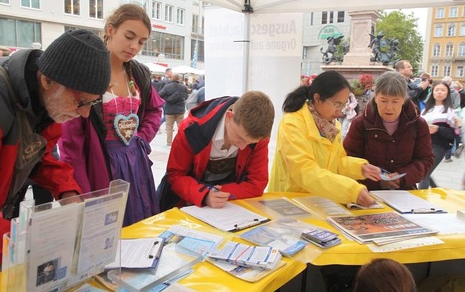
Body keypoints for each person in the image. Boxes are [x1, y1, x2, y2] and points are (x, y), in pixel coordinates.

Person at [0, 29, 110, 282]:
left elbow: (39, 158)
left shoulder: (47, 102)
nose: (85, 114)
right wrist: (43, 246)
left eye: (93, 103)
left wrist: (68, 191)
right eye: (81, 102)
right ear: (47, 80)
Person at [59, 4, 163, 227]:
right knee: (104, 230)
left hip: (136, 165)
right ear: (110, 30)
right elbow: (71, 146)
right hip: (99, 165)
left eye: (141, 42)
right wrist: (81, 193)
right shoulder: (86, 72)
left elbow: (155, 110)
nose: (134, 46)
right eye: (129, 36)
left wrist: (142, 137)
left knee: (138, 228)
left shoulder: (138, 73)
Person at [268, 71, 380, 207]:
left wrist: (360, 168)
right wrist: (351, 191)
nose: (340, 112)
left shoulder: (333, 126)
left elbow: (336, 162)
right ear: (317, 98)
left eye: (344, 105)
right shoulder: (292, 123)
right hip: (290, 202)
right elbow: (304, 171)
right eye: (336, 104)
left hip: (319, 202)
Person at [157, 91, 275, 211]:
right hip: (185, 202)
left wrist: (220, 193)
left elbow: (256, 184)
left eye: (250, 143)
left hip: (227, 208)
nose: (243, 147)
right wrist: (204, 194)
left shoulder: (258, 138)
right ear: (229, 117)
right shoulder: (191, 129)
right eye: (240, 138)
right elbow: (175, 175)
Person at [344, 71, 434, 190]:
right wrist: (374, 179)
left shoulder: (418, 124)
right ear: (375, 98)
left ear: (404, 100)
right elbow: (348, 158)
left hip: (405, 193)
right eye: (384, 100)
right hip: (367, 193)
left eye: (395, 101)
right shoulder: (361, 124)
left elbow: (425, 159)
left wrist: (403, 177)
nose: (389, 107)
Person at [419, 81, 461, 189]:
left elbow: (454, 134)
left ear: (447, 93)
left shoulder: (450, 111)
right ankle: (437, 190)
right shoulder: (426, 110)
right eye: (436, 90)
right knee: (425, 171)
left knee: (425, 173)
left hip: (439, 146)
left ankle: (420, 201)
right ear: (432, 92)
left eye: (443, 90)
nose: (439, 92)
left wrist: (438, 129)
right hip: (423, 145)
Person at [158, 73, 188, 147]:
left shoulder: (167, 87)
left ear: (172, 78)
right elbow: (186, 96)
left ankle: (169, 143)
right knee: (181, 127)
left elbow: (159, 95)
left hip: (169, 110)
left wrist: (167, 99)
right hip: (180, 110)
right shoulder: (183, 87)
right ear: (179, 79)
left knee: (169, 127)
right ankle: (182, 142)